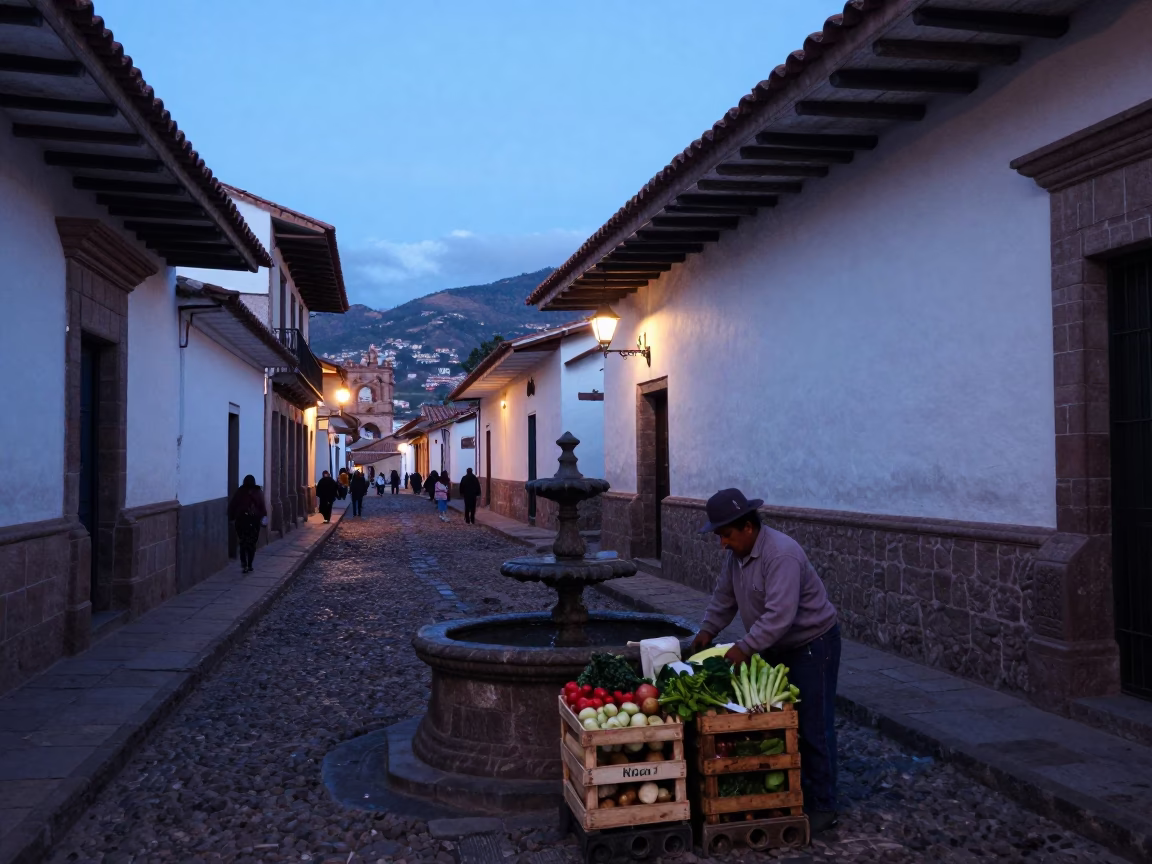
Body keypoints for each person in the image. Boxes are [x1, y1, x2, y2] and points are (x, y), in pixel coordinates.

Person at [688, 488, 841, 834]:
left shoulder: (781, 554)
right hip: (777, 646)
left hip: (813, 645)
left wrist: (744, 647)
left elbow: (779, 617)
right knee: (785, 723)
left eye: (725, 535)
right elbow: (724, 597)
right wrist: (707, 632)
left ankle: (824, 805)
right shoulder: (736, 557)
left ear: (747, 527)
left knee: (815, 725)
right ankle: (796, 788)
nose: (722, 543)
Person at [227, 474, 267, 574]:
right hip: (253, 522)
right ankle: (249, 564)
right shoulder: (258, 492)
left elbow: (233, 505)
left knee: (243, 543)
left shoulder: (240, 492)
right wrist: (263, 517)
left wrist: (231, 518)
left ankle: (244, 564)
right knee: (251, 544)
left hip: (242, 521)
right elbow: (262, 507)